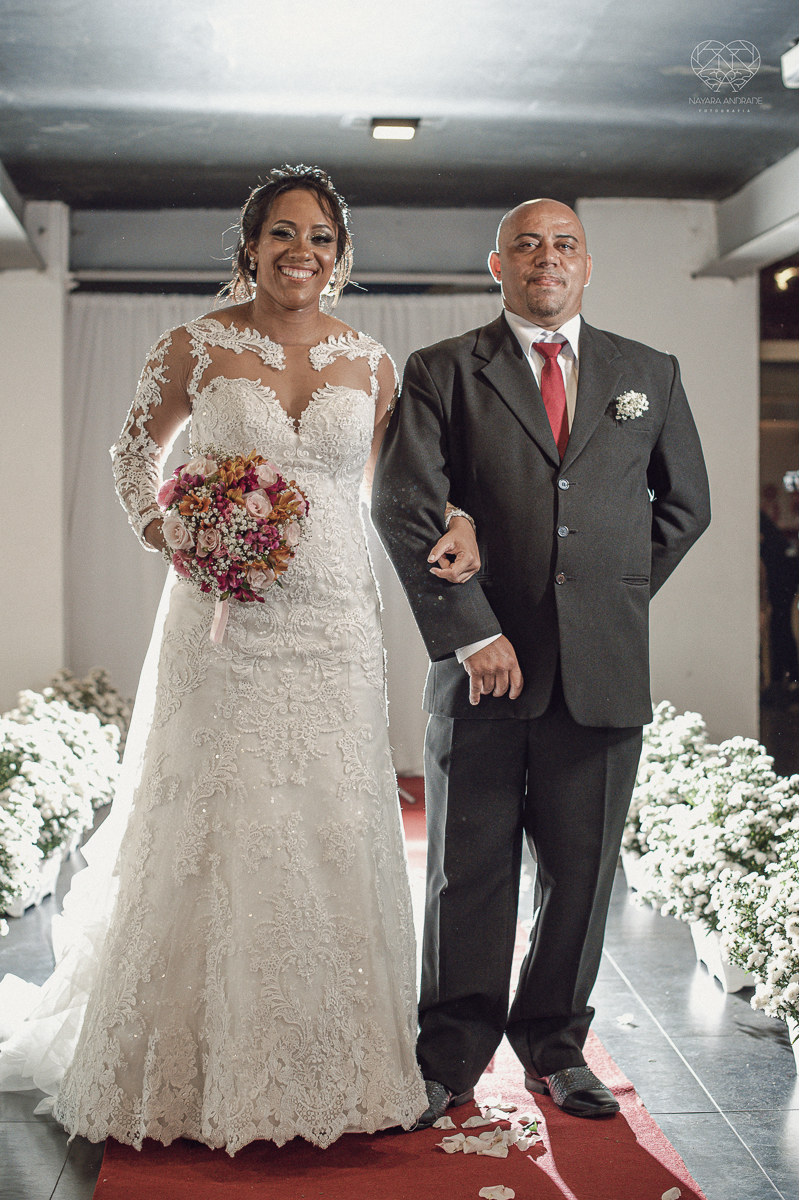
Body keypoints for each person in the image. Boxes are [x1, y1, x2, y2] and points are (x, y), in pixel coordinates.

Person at [0, 165, 480, 1153]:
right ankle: (193, 1061)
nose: (302, 251)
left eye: (321, 238)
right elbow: (136, 453)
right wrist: (173, 535)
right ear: (250, 245)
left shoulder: (373, 363)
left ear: (340, 257)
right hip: (221, 617)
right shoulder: (194, 345)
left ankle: (332, 1063)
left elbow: (410, 489)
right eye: (283, 234)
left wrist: (460, 517)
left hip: (338, 618)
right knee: (217, 813)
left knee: (328, 818)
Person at [372, 198, 711, 1125]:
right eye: (526, 245)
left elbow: (684, 508)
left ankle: (555, 1049)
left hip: (599, 674)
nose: (545, 259)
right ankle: (447, 1060)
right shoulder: (442, 371)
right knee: (465, 870)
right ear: (497, 264)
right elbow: (407, 505)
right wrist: (472, 631)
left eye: (563, 245)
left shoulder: (649, 373)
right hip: (482, 670)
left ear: (586, 264)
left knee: (580, 872)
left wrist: (603, 600)